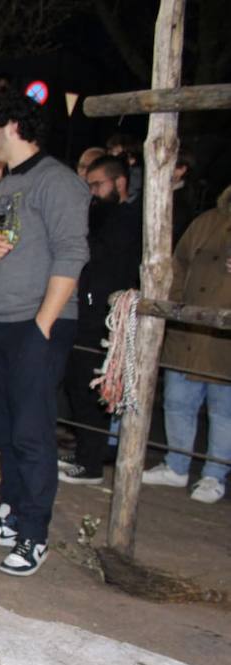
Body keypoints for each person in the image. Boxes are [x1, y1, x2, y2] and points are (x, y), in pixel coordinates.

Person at [0, 91, 89, 576]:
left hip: (39, 324)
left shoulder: (59, 182)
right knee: (5, 430)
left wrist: (42, 325)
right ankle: (10, 516)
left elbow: (72, 255)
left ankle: (35, 534)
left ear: (10, 124)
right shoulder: (4, 186)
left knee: (34, 432)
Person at [141, 184, 231, 504]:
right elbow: (177, 265)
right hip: (189, 330)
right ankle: (176, 465)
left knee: (224, 410)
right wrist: (175, 306)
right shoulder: (207, 221)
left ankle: (213, 475)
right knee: (178, 401)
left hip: (225, 339)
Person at [58, 154, 141, 487]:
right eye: (88, 185)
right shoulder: (97, 216)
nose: (91, 192)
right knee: (78, 385)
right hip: (86, 311)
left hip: (107, 316)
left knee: (93, 387)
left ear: (119, 183)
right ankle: (84, 454)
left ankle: (91, 462)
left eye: (97, 184)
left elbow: (105, 258)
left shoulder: (127, 219)